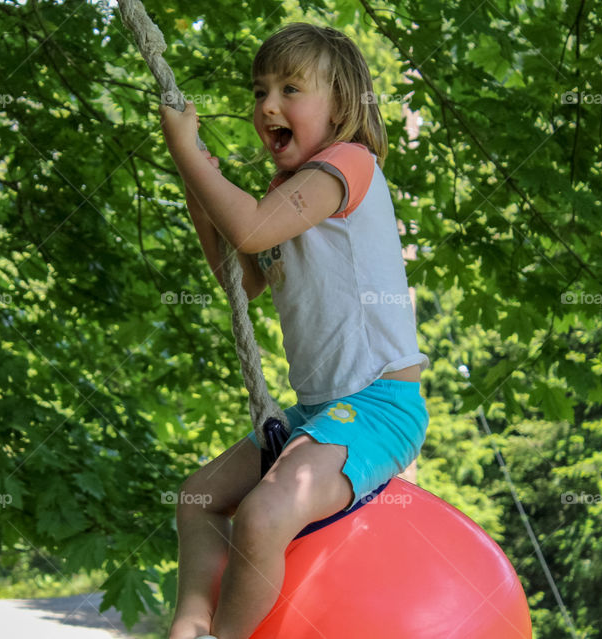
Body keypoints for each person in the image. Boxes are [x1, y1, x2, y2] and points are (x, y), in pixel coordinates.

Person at [158, 23, 431, 639]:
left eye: (289, 88)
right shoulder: (287, 193)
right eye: (259, 92)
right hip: (318, 413)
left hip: (379, 405)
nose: (267, 105)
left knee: (262, 515)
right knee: (198, 497)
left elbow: (251, 229)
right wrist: (201, 191)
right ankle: (192, 623)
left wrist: (185, 156)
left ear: (340, 105)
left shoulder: (347, 165)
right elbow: (246, 276)